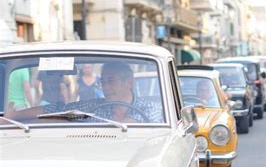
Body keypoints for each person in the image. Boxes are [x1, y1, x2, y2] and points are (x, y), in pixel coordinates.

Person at [7, 62, 163, 123]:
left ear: (129, 82)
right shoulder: (93, 107)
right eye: (103, 82)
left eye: (111, 81)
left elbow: (128, 127)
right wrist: (12, 117)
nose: (105, 87)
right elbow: (56, 109)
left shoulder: (150, 109)